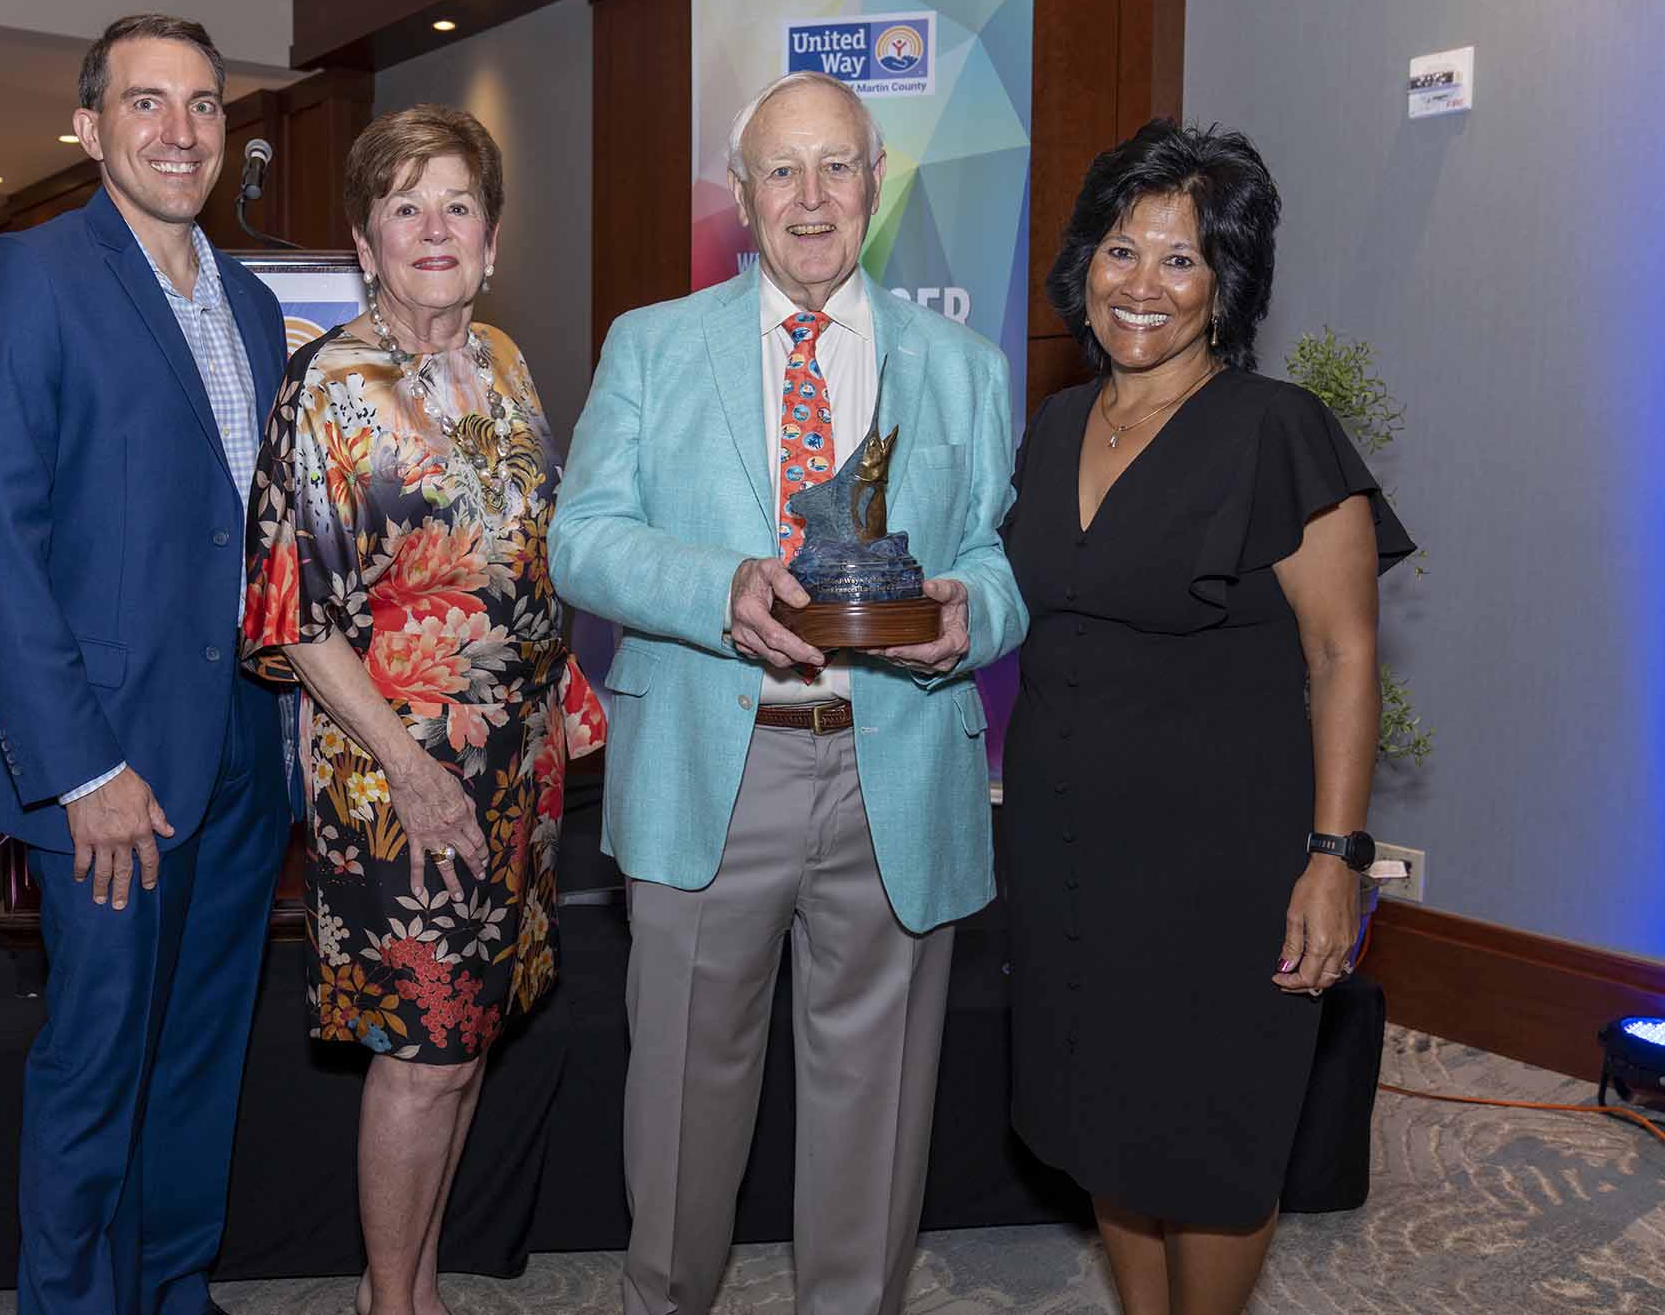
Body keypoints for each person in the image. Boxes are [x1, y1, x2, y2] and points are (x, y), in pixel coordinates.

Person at [551, 71, 1025, 1315]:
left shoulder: (966, 365)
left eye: (836, 168)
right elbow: (581, 539)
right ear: (741, 196)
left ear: (877, 185)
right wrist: (722, 588)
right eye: (782, 171)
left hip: (901, 768)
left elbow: (994, 558)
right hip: (719, 758)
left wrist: (976, 619)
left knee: (879, 1107)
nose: (811, 198)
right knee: (681, 1108)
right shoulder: (652, 346)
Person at [1001, 119, 1415, 1315]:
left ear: (1227, 287)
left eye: (1181, 261)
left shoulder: (1279, 431)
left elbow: (1343, 656)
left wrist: (1336, 859)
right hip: (1068, 847)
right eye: (1122, 251)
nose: (1143, 287)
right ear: (1084, 263)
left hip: (1221, 861)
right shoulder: (1058, 426)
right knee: (1102, 1121)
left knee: (1211, 1139)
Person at [0, 14, 289, 1315]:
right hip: (112, 773)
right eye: (147, 103)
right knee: (95, 1068)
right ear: (89, 127)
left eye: (202, 106)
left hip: (245, 756)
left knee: (199, 1061)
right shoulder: (23, 278)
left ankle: (173, 1289)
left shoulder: (249, 305)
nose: (179, 131)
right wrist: (80, 766)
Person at [240, 104, 605, 1315]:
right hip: (398, 776)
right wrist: (411, 767)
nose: (434, 228)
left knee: (464, 1048)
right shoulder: (328, 388)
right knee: (423, 1055)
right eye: (407, 207)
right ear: (365, 241)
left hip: (514, 770)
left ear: (492, 239)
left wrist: (566, 696)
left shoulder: (502, 361)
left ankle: (421, 1284)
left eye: (457, 205)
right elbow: (294, 618)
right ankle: (390, 1302)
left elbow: (521, 555)